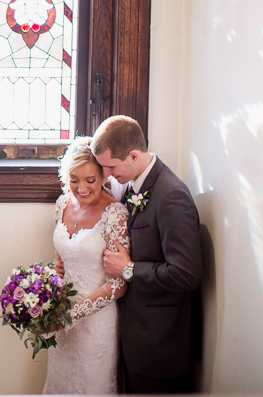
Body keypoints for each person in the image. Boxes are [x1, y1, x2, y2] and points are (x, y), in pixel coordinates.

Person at [92, 115, 203, 394]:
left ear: (132, 155)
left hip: (161, 343)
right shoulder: (131, 183)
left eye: (110, 167)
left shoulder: (171, 196)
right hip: (135, 335)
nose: (107, 176)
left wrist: (128, 270)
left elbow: (186, 274)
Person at [43, 137, 129, 395]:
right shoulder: (62, 204)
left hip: (96, 325)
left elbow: (119, 285)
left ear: (103, 176)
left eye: (90, 181)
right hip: (60, 318)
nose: (81, 189)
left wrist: (70, 316)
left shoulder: (115, 214)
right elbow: (64, 255)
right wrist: (56, 268)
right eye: (74, 180)